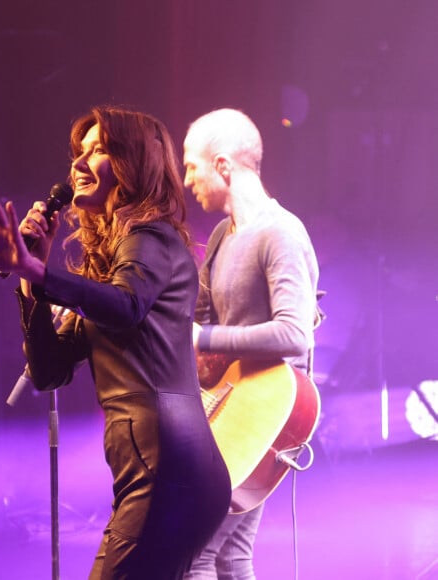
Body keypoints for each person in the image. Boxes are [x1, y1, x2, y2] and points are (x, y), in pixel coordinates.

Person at [0, 105, 231, 580]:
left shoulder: (152, 238)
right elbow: (49, 370)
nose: (78, 165)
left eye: (98, 150)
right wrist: (30, 280)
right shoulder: (116, 267)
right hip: (163, 471)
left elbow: (125, 305)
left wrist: (37, 271)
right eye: (78, 154)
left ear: (134, 163)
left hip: (168, 472)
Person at [182, 108, 319, 579]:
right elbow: (193, 323)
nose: (186, 179)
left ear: (223, 165)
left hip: (266, 420)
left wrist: (210, 337)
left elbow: (294, 332)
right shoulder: (222, 235)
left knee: (196, 555)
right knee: (230, 557)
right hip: (232, 416)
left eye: (191, 166)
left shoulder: (279, 232)